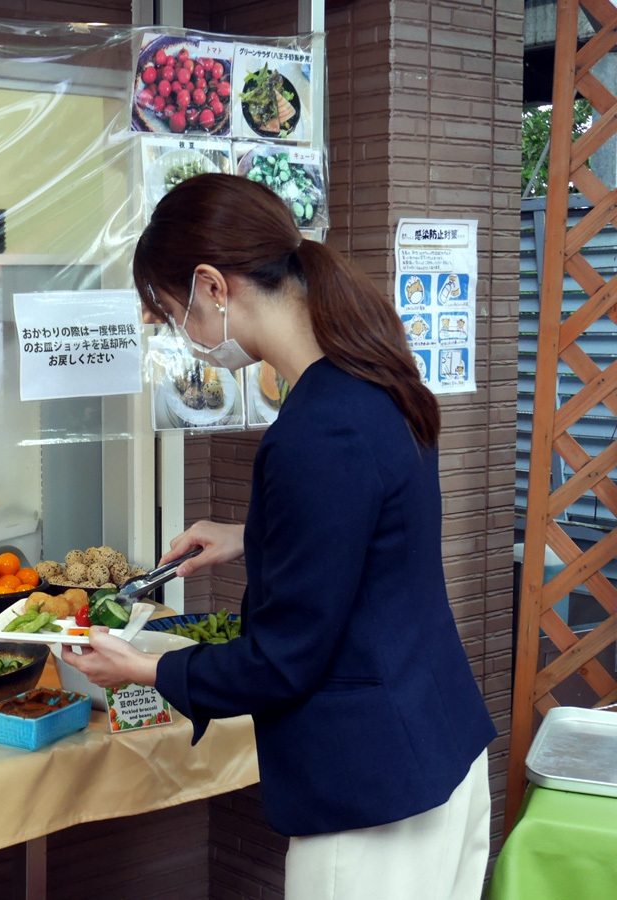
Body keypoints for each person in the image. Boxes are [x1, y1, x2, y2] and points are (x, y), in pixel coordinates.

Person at [58, 174, 496, 900]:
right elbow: (373, 532)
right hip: (441, 754)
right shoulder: (375, 380)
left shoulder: (311, 434)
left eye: (174, 315)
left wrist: (146, 671)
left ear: (212, 286)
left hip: (372, 801)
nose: (184, 337)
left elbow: (283, 662)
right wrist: (251, 534)